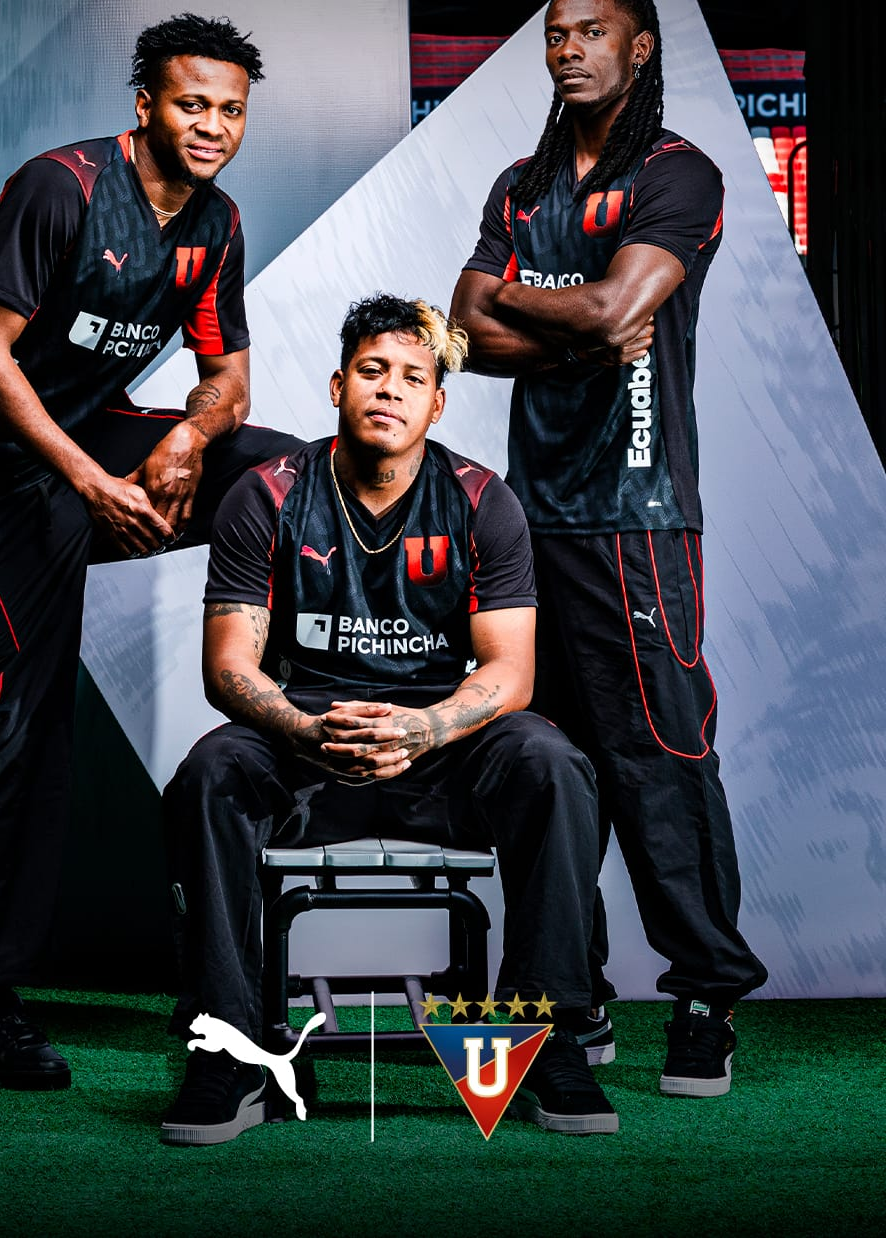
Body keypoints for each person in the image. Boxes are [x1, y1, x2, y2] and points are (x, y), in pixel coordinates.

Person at [0, 12, 302, 1090]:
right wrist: (89, 485)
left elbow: (228, 380)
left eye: (231, 111)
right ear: (145, 106)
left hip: (77, 452)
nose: (212, 127)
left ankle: (305, 702)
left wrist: (187, 439)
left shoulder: (216, 222)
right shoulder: (61, 189)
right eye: (192, 104)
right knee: (15, 725)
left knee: (279, 469)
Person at [159, 293, 617, 1145]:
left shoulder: (481, 501)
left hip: (440, 747)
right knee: (212, 772)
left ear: (436, 404)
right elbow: (228, 667)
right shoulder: (268, 495)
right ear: (339, 385)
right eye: (372, 370)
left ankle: (540, 1036)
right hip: (306, 741)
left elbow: (510, 671)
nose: (390, 390)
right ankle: (230, 1045)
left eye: (412, 377)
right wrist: (305, 731)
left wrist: (427, 728)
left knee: (552, 763)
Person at [449, 0, 768, 1097]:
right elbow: (462, 334)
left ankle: (705, 996)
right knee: (550, 764)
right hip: (528, 519)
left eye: (592, 32)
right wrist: (576, 322)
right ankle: (569, 1000)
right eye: (555, 34)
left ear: (639, 50)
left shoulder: (678, 173)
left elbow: (618, 305)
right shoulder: (521, 184)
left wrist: (536, 302)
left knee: (658, 758)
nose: (568, 50)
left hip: (638, 513)